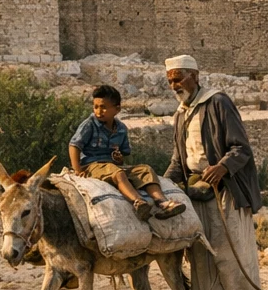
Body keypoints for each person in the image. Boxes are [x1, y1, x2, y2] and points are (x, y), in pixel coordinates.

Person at [163, 55, 263, 290]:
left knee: (233, 253)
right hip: (196, 193)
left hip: (226, 191)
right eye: (170, 81)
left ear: (195, 75)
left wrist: (222, 166)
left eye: (178, 78)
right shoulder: (181, 113)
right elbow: (178, 161)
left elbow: (240, 147)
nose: (174, 85)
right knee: (201, 262)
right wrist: (161, 185)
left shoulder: (218, 102)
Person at [68, 84, 184, 221]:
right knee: (118, 173)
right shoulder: (89, 124)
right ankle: (138, 202)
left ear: (117, 109)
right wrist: (77, 169)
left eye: (104, 107)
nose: (99, 111)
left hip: (111, 165)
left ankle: (163, 202)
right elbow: (74, 145)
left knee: (145, 170)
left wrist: (118, 158)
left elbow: (122, 156)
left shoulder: (121, 129)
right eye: (96, 107)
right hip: (92, 165)